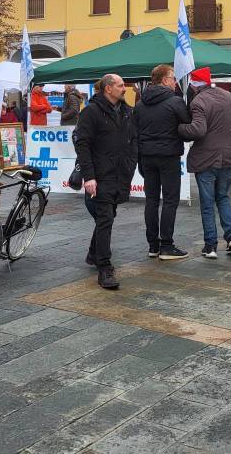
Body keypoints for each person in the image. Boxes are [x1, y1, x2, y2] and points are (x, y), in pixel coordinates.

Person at [73, 73, 137, 290]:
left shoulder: (126, 111)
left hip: (121, 173)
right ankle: (104, 267)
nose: (124, 88)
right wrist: (89, 176)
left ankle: (93, 253)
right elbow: (82, 144)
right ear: (108, 88)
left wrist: (131, 162)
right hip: (101, 175)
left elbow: (132, 139)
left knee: (108, 216)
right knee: (105, 218)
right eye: (120, 85)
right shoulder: (91, 111)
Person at [178, 67, 231, 259]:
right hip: (229, 157)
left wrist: (180, 127)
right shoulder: (227, 96)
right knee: (223, 197)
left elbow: (198, 130)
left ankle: (210, 246)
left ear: (195, 83)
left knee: (207, 204)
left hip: (207, 159)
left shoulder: (198, 101)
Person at [134, 64, 190, 260]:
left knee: (151, 200)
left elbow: (135, 131)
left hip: (147, 156)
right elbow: (187, 122)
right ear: (165, 80)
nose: (175, 82)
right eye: (173, 78)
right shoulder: (175, 102)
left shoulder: (140, 104)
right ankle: (166, 245)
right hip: (168, 156)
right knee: (170, 200)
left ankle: (153, 246)